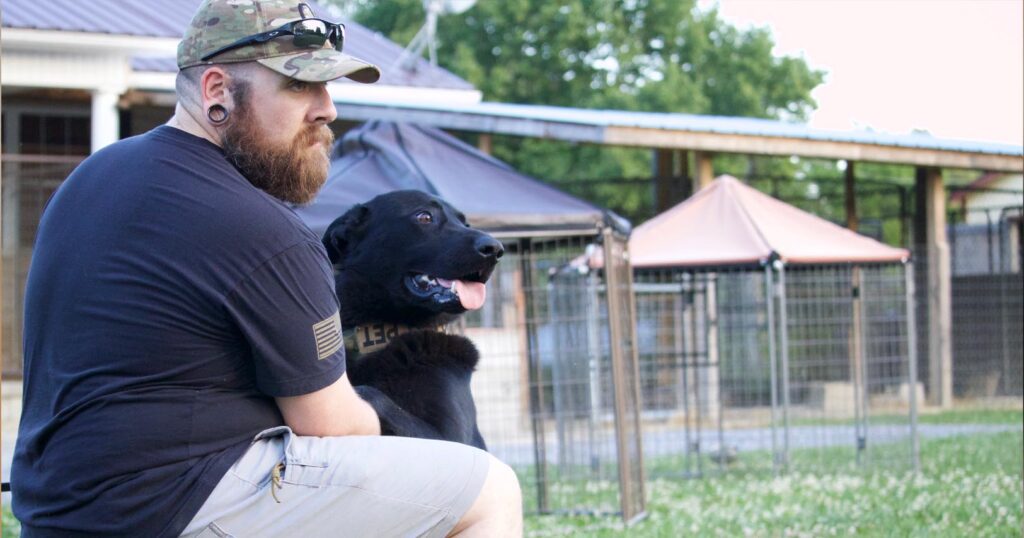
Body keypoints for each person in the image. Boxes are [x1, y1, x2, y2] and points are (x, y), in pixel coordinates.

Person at [10, 1, 522, 536]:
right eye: (299, 86)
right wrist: (417, 429)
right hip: (174, 503)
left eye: (328, 88)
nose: (326, 109)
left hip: (55, 510)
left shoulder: (92, 178)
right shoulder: (261, 228)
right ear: (216, 91)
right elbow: (331, 425)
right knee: (489, 486)